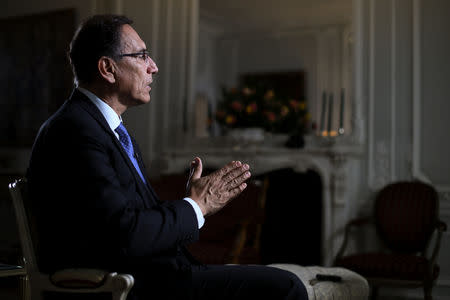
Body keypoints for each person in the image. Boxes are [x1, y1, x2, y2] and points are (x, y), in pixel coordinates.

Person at [27, 14, 308, 300]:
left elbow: (129, 219)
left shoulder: (105, 129)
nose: (154, 67)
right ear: (108, 69)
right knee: (287, 287)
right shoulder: (77, 131)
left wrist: (191, 202)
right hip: (133, 287)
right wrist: (196, 206)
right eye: (142, 56)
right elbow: (124, 237)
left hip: (154, 276)